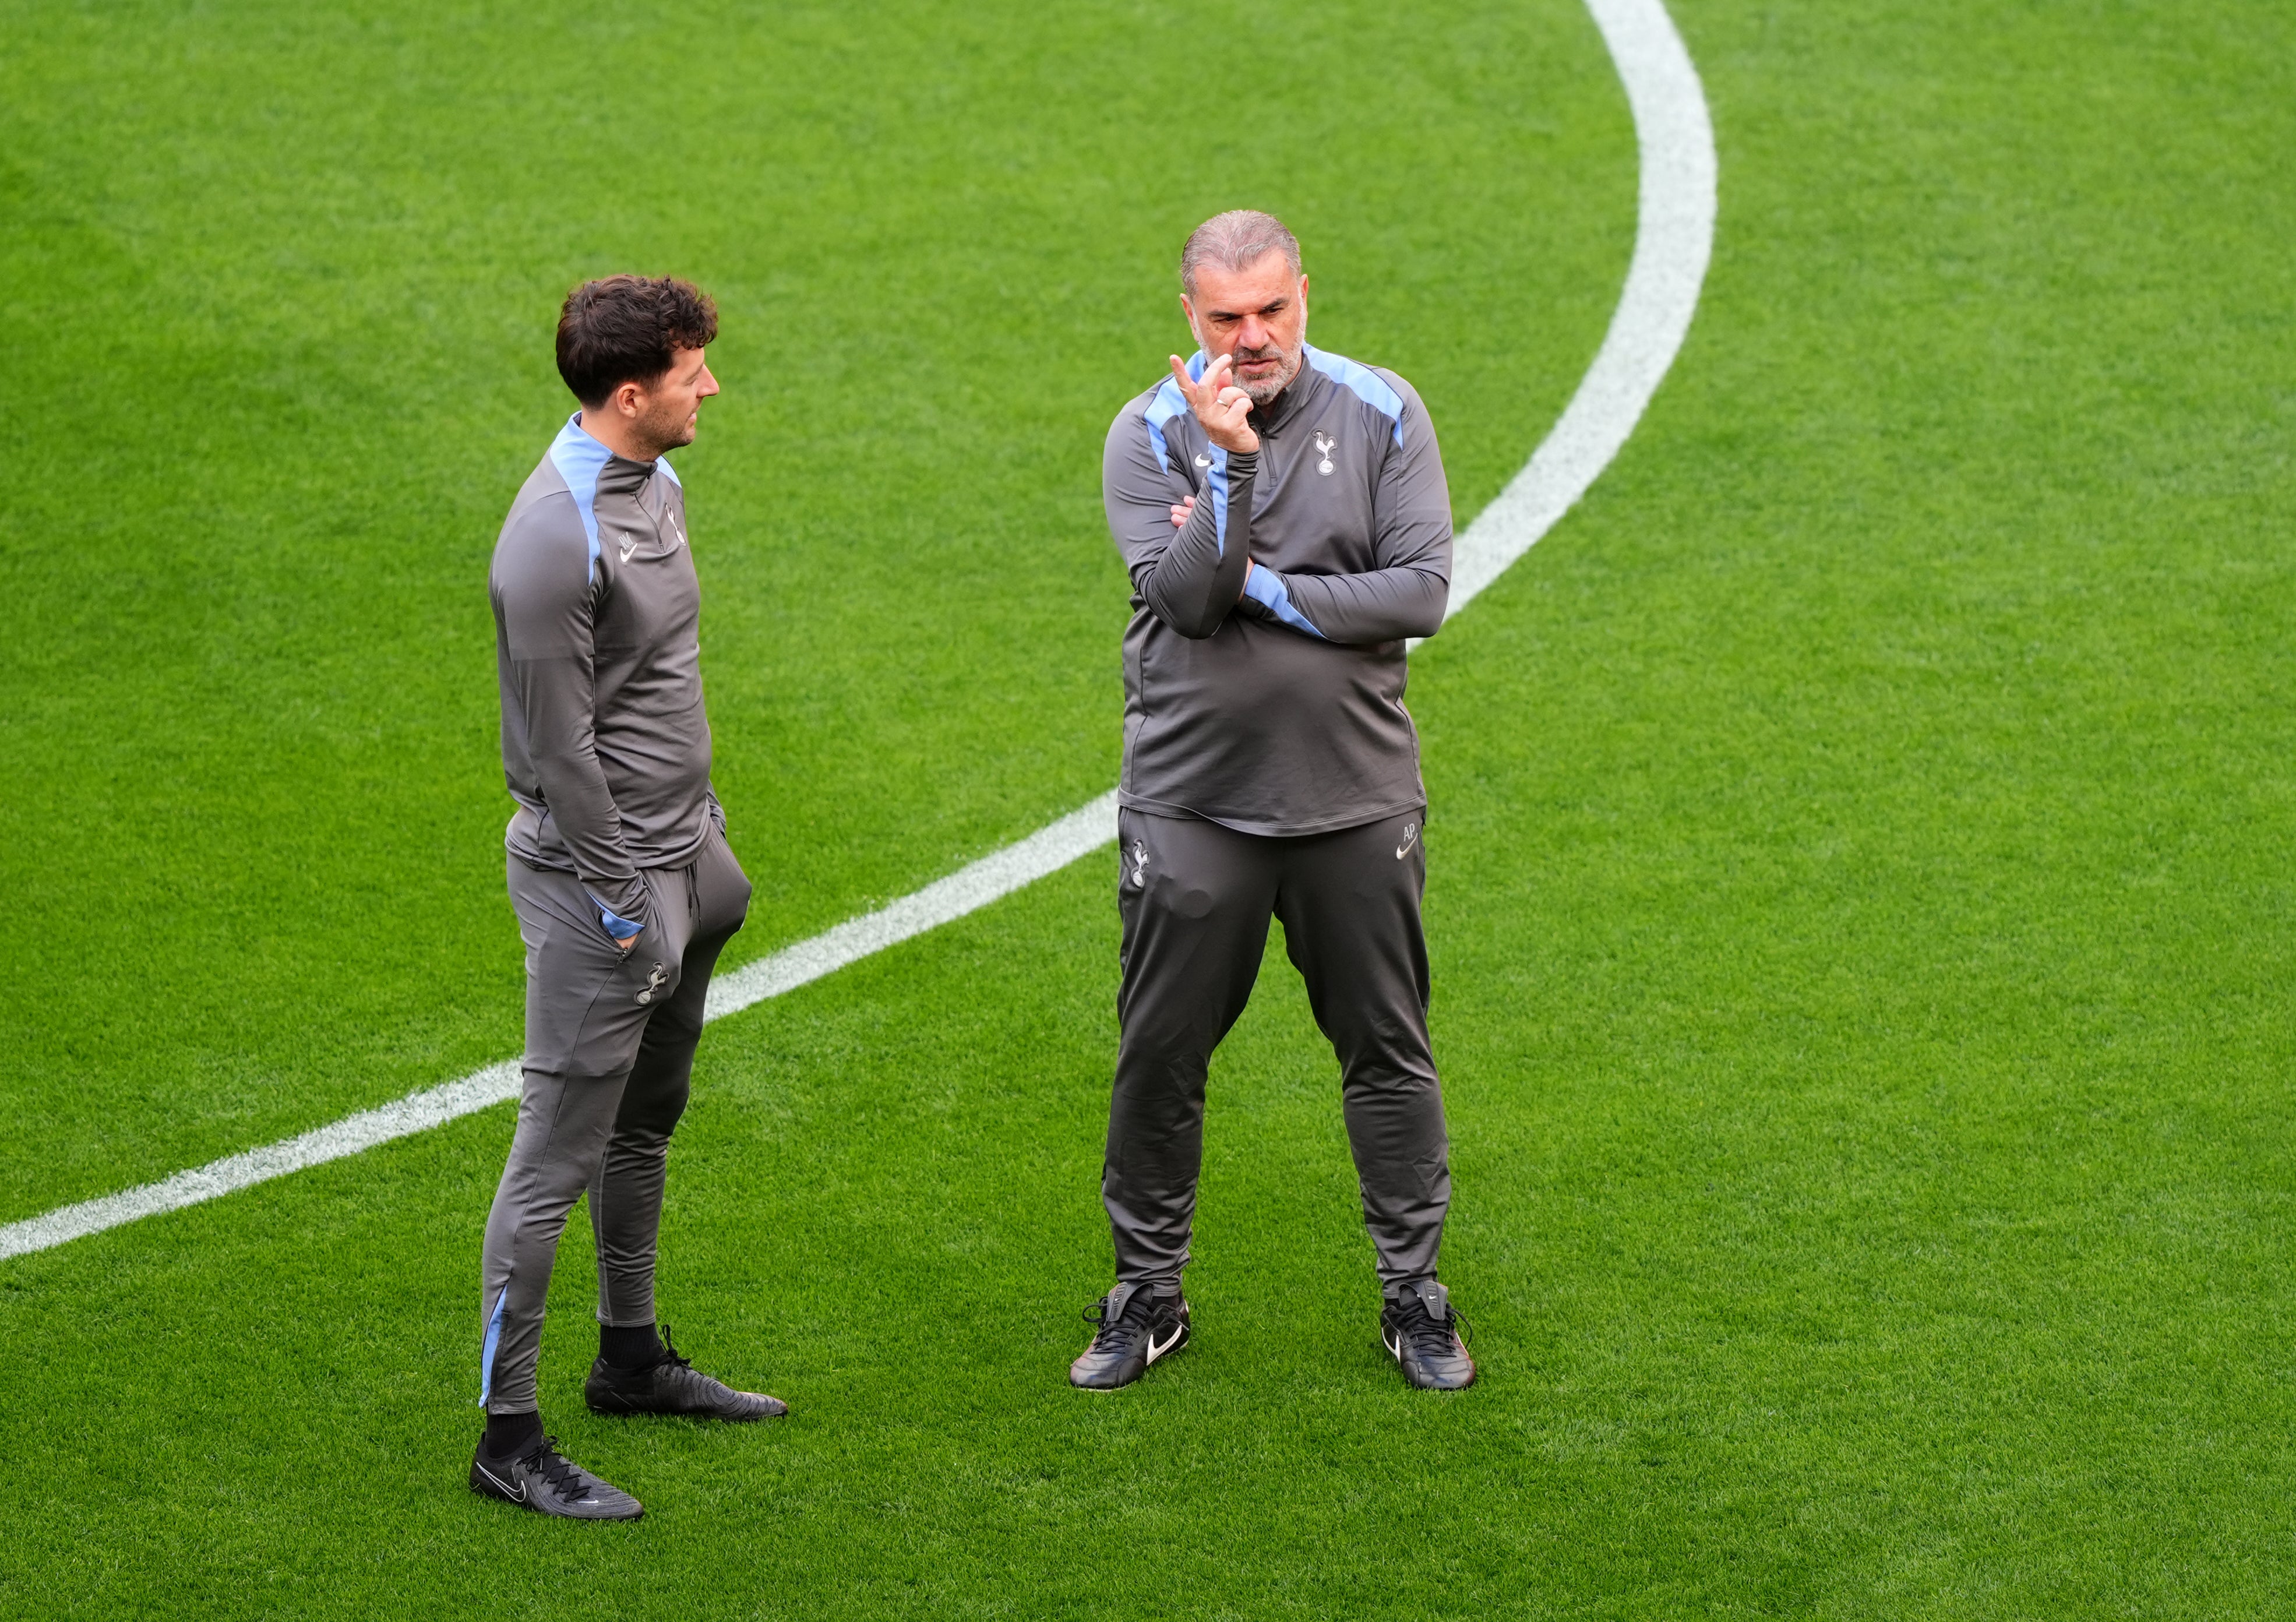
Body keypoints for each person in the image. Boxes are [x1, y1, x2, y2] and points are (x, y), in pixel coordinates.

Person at [1072, 210, 1475, 1394]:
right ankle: (1148, 1292)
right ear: (1188, 316)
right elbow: (1184, 603)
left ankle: (1414, 1294)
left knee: (1387, 1051)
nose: (1251, 337)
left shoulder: (1384, 409)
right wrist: (1232, 467)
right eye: (1225, 317)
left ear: (1305, 294)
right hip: (1192, 804)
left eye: (1271, 310)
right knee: (1159, 1056)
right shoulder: (1149, 433)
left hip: (1356, 798)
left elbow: (1419, 593)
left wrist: (1256, 578)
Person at [470, 275, 785, 1522]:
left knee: (647, 1122)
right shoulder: (552, 540)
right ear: (633, 392)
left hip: (690, 859)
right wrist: (620, 905)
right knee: (553, 1163)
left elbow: (657, 685)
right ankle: (507, 1438)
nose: (713, 387)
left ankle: (632, 1360)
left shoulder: (657, 484)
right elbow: (558, 752)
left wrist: (704, 840)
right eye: (694, 373)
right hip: (600, 891)